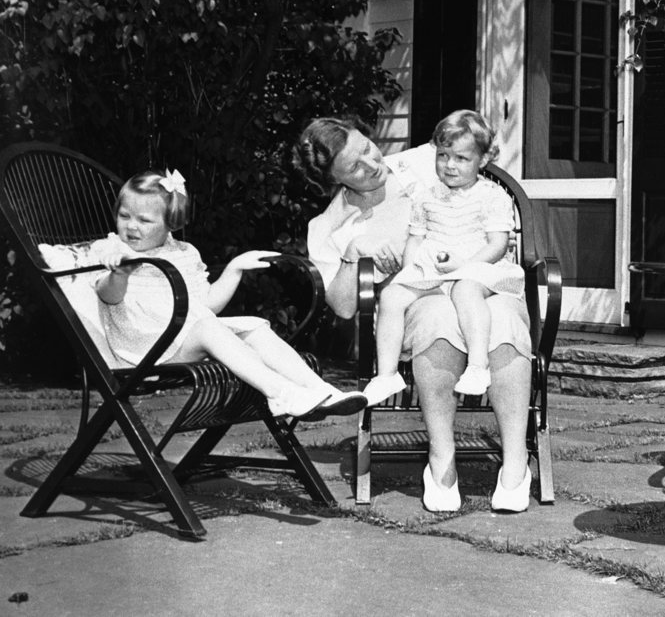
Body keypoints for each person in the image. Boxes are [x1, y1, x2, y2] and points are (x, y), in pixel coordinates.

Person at [294, 114, 534, 513]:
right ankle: (441, 458)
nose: (373, 165)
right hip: (416, 298)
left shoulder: (422, 161)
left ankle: (515, 461)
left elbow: (475, 140)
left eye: (369, 148)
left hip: (481, 279)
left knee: (505, 320)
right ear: (335, 179)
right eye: (355, 166)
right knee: (437, 320)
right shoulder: (330, 225)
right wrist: (355, 253)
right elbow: (342, 305)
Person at [94, 169, 368, 420]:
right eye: (124, 215)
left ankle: (321, 391)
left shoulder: (183, 253)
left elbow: (205, 305)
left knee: (253, 328)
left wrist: (235, 268)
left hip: (179, 342)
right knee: (208, 329)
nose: (131, 226)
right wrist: (120, 273)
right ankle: (280, 394)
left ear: (170, 223)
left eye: (144, 220)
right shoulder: (111, 250)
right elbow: (109, 296)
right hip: (143, 353)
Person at [363, 111, 525, 406]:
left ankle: (478, 366)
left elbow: (498, 244)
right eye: (443, 155)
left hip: (481, 268)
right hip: (436, 270)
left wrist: (467, 268)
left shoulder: (492, 195)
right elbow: (416, 238)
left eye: (461, 158)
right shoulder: (426, 196)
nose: (450, 165)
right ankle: (386, 375)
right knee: (391, 296)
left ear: (483, 159)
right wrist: (409, 273)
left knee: (465, 288)